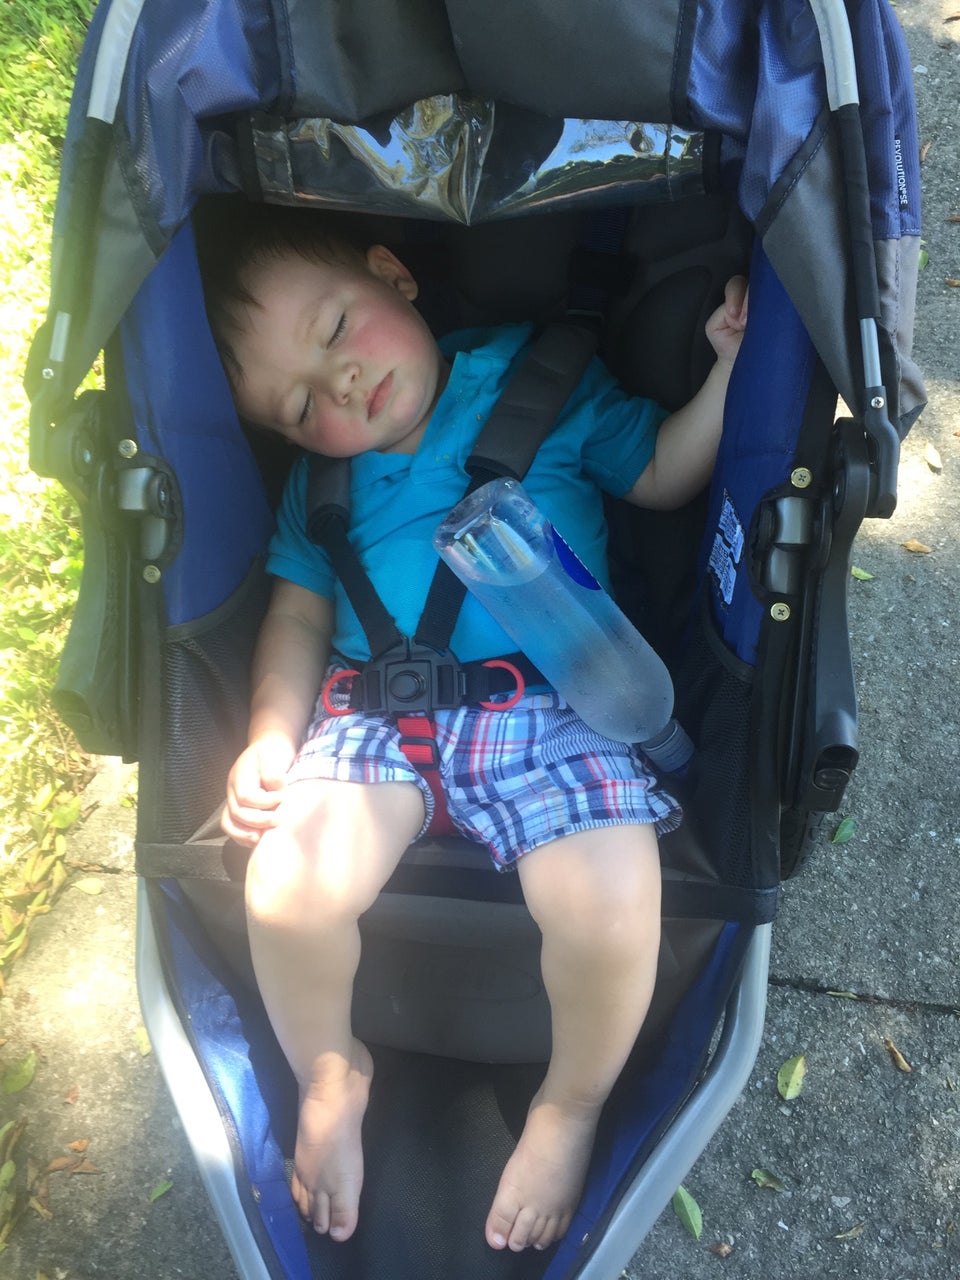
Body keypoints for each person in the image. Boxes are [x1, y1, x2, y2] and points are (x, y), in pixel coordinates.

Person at [199, 202, 748, 1254]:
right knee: (283, 891)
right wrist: (270, 733)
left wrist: (729, 371)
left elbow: (661, 473)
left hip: (554, 704)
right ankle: (329, 1067)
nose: (339, 387)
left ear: (393, 273)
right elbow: (298, 619)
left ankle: (569, 1105)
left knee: (610, 905)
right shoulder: (322, 487)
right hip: (373, 718)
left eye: (334, 331)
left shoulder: (544, 381)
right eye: (300, 406)